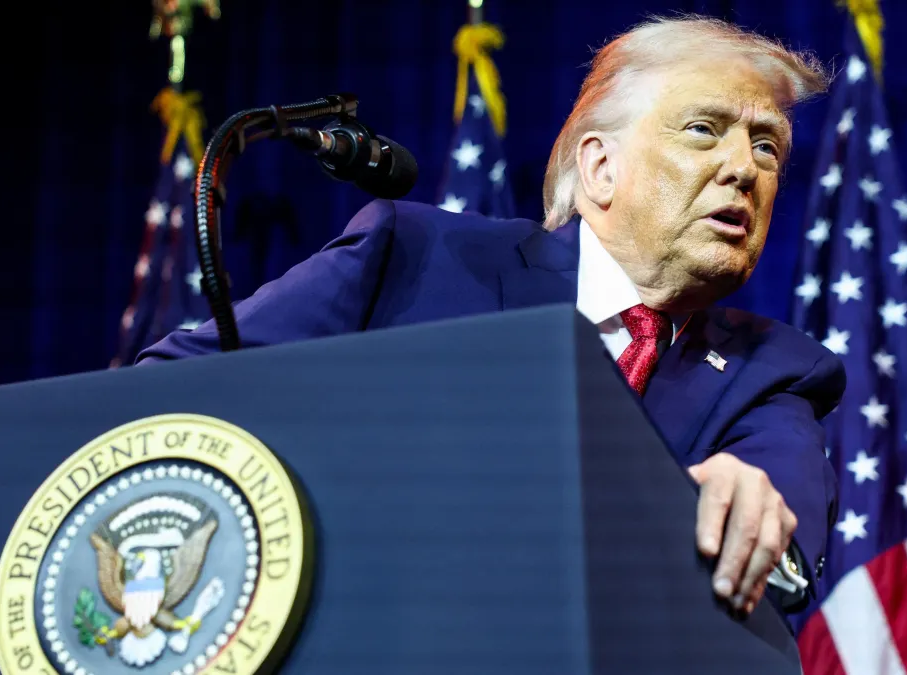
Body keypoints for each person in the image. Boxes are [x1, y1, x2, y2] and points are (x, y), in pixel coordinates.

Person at [138, 15, 842, 625]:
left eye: (767, 146)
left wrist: (751, 510)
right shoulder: (415, 256)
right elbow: (168, 390)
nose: (744, 169)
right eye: (703, 130)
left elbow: (779, 528)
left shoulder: (775, 371)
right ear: (600, 167)